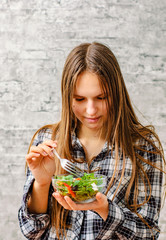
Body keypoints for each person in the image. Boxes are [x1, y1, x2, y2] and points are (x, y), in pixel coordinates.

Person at [18, 42, 165, 240]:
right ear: (67, 97)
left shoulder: (143, 148)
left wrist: (105, 209)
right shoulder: (46, 140)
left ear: (116, 93)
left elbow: (148, 234)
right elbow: (31, 231)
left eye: (101, 97)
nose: (90, 110)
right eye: (79, 99)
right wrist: (42, 184)